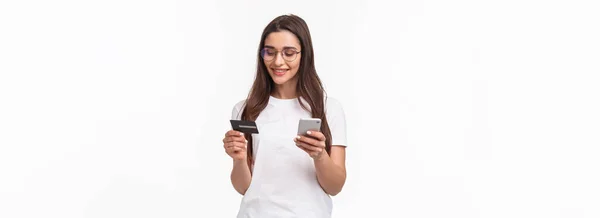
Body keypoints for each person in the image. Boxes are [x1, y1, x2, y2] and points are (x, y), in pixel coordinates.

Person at [222, 14, 348, 218]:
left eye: (289, 53)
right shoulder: (245, 109)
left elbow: (335, 186)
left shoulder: (327, 109)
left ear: (304, 55)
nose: (278, 62)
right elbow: (244, 188)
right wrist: (238, 160)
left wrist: (319, 156)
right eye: (269, 52)